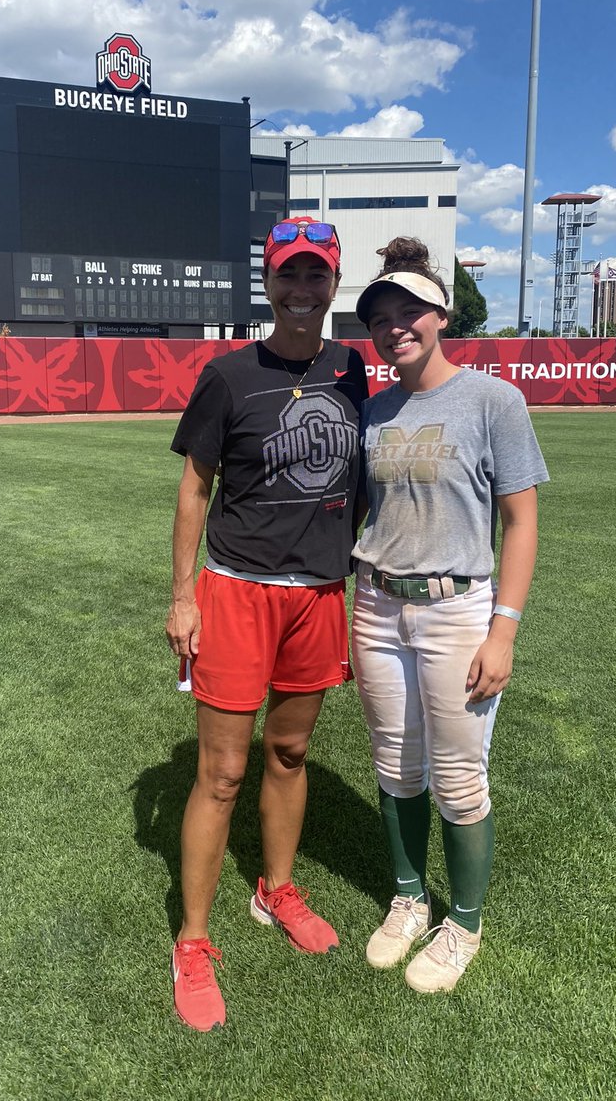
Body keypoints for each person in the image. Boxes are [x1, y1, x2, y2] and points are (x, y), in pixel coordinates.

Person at [165, 217, 368, 1031]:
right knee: (221, 772)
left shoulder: (355, 372)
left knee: (289, 751)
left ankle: (275, 888)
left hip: (319, 593)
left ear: (333, 284)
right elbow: (193, 489)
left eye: (316, 276)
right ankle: (192, 937)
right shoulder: (227, 376)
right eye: (289, 275)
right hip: (238, 591)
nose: (301, 290)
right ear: (268, 280)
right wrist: (183, 596)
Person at [351, 236, 548, 994]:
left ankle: (462, 922)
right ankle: (409, 898)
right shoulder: (373, 409)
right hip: (375, 606)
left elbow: (521, 522)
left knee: (460, 778)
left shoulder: (494, 400)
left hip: (457, 610)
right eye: (381, 317)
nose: (395, 327)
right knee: (397, 769)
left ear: (442, 316)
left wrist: (505, 626)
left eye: (410, 312)